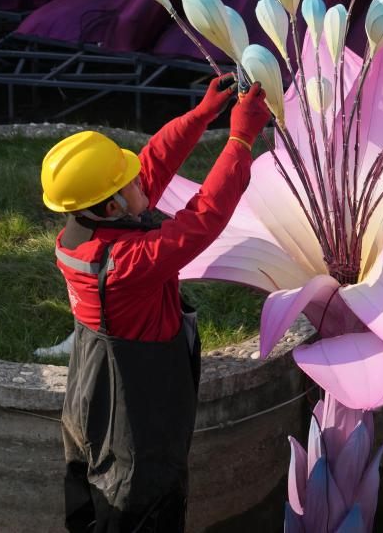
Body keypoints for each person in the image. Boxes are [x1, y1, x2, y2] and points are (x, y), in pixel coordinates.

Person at [40, 75, 271, 532]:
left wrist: (201, 115)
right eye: (126, 181)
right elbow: (202, 219)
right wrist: (241, 140)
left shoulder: (83, 231)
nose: (139, 178)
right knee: (137, 509)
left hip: (94, 396)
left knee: (93, 506)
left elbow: (151, 165)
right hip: (133, 427)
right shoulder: (127, 265)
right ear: (111, 207)